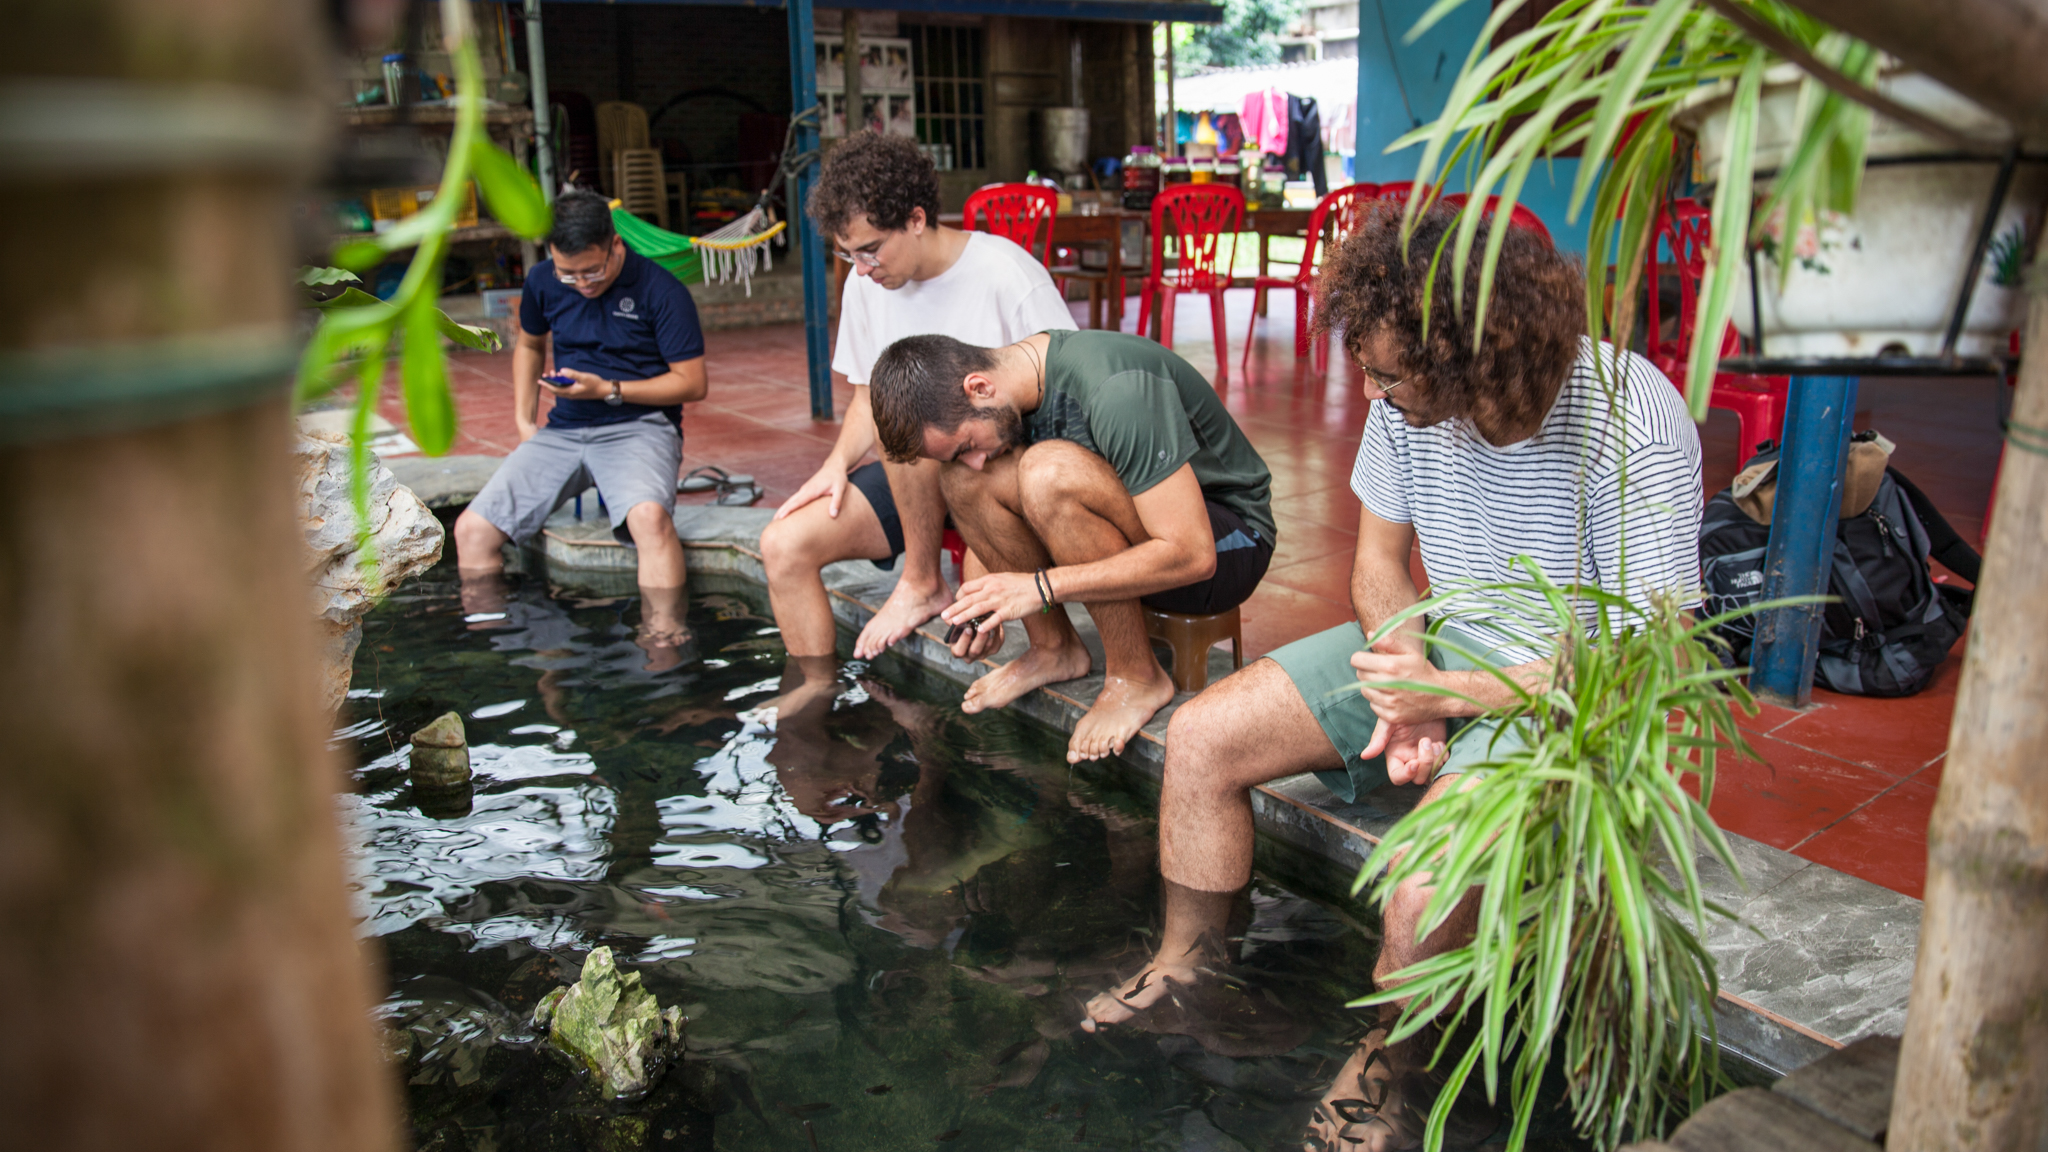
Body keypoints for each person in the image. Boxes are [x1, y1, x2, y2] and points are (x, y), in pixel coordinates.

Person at [1080, 203, 1702, 1049]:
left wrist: (1452, 693)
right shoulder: (1408, 403)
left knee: (1417, 892)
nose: (1369, 392)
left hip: (1573, 689)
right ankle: (1188, 964)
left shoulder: (1631, 418)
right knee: (1200, 738)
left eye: (1389, 377)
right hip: (1441, 646)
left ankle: (1387, 1066)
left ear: (1473, 359)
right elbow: (1377, 565)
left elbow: (1654, 658)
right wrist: (1411, 674)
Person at [758, 132, 1076, 702]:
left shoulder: (1007, 275)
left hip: (999, 477)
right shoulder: (868, 285)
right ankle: (815, 691)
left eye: (870, 249)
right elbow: (865, 400)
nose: (860, 269)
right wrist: (835, 465)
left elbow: (1063, 401)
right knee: (783, 545)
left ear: (916, 218)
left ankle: (925, 580)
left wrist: (987, 549)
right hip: (913, 481)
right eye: (846, 253)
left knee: (971, 615)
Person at [866, 329, 1277, 765]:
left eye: (967, 444)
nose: (976, 456)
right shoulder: (1017, 387)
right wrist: (982, 612)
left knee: (1048, 474)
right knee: (962, 480)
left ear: (980, 388)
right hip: (1142, 535)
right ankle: (1054, 648)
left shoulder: (1113, 389)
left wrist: (1042, 587)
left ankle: (1136, 677)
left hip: (1226, 545)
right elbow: (983, 495)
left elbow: (1193, 555)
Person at [454, 189, 708, 648]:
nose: (582, 283)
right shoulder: (542, 281)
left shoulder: (662, 289)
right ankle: (493, 644)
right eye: (567, 274)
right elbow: (530, 344)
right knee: (472, 530)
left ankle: (665, 645)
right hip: (564, 429)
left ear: (615, 244)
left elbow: (692, 382)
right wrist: (523, 421)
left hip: (641, 426)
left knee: (649, 520)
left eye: (592, 270)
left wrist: (609, 390)